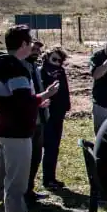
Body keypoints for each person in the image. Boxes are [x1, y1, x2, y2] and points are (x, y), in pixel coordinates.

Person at [0, 25, 60, 212]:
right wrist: (44, 95)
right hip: (17, 133)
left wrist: (36, 100)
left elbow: (15, 101)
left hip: (4, 129)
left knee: (0, 178)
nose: (33, 46)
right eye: (31, 42)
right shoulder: (15, 69)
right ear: (24, 45)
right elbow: (21, 101)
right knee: (16, 186)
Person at [39, 46, 70, 191]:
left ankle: (49, 178)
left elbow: (65, 91)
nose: (57, 63)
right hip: (45, 113)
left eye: (60, 60)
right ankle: (43, 180)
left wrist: (66, 106)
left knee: (54, 147)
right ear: (47, 57)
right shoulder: (41, 72)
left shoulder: (61, 72)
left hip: (58, 113)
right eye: (54, 59)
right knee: (45, 146)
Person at [24, 40, 48, 202]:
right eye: (34, 49)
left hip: (39, 118)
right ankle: (22, 193)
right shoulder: (20, 68)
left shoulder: (34, 67)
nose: (37, 52)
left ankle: (29, 190)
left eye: (39, 50)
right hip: (27, 120)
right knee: (26, 158)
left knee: (36, 156)